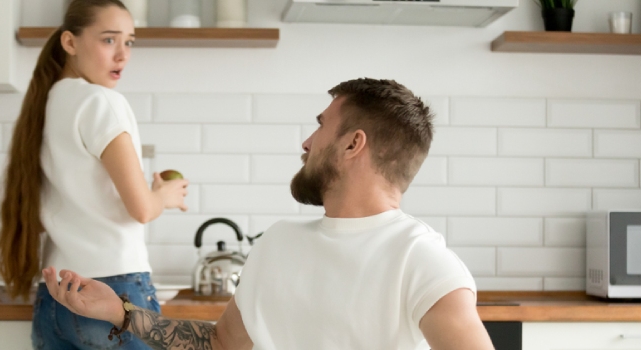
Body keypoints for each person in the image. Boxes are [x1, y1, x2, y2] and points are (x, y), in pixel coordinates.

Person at [41, 78, 495, 349]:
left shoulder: (420, 260)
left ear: (354, 144)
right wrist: (119, 311)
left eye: (320, 125)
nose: (306, 142)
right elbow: (220, 343)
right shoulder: (279, 242)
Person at [0, 1, 188, 349]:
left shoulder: (47, 103)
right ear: (70, 42)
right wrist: (165, 195)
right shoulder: (101, 102)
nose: (122, 55)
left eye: (129, 42)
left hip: (55, 298)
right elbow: (141, 208)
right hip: (114, 293)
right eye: (109, 40)